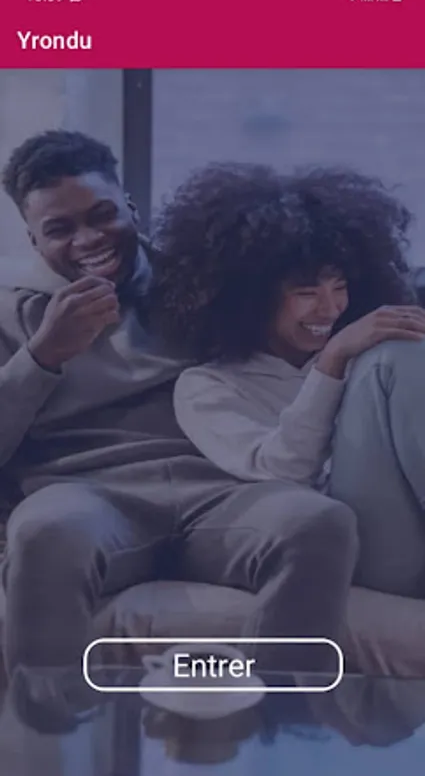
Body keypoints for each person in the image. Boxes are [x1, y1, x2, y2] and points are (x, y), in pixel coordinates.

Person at [0, 134, 357, 731]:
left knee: (320, 521)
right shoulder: (12, 314)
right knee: (44, 531)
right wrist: (42, 356)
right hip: (88, 496)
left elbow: (311, 312)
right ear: (33, 239)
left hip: (223, 490)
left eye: (102, 215)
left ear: (130, 208)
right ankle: (54, 736)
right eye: (60, 229)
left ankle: (272, 723)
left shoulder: (202, 280)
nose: (87, 239)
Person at [149, 162, 425, 602]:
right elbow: (282, 472)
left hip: (412, 525)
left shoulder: (363, 356)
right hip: (351, 545)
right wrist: (332, 361)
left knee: (402, 344)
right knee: (391, 357)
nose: (329, 309)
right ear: (250, 296)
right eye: (306, 292)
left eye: (339, 286)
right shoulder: (206, 387)